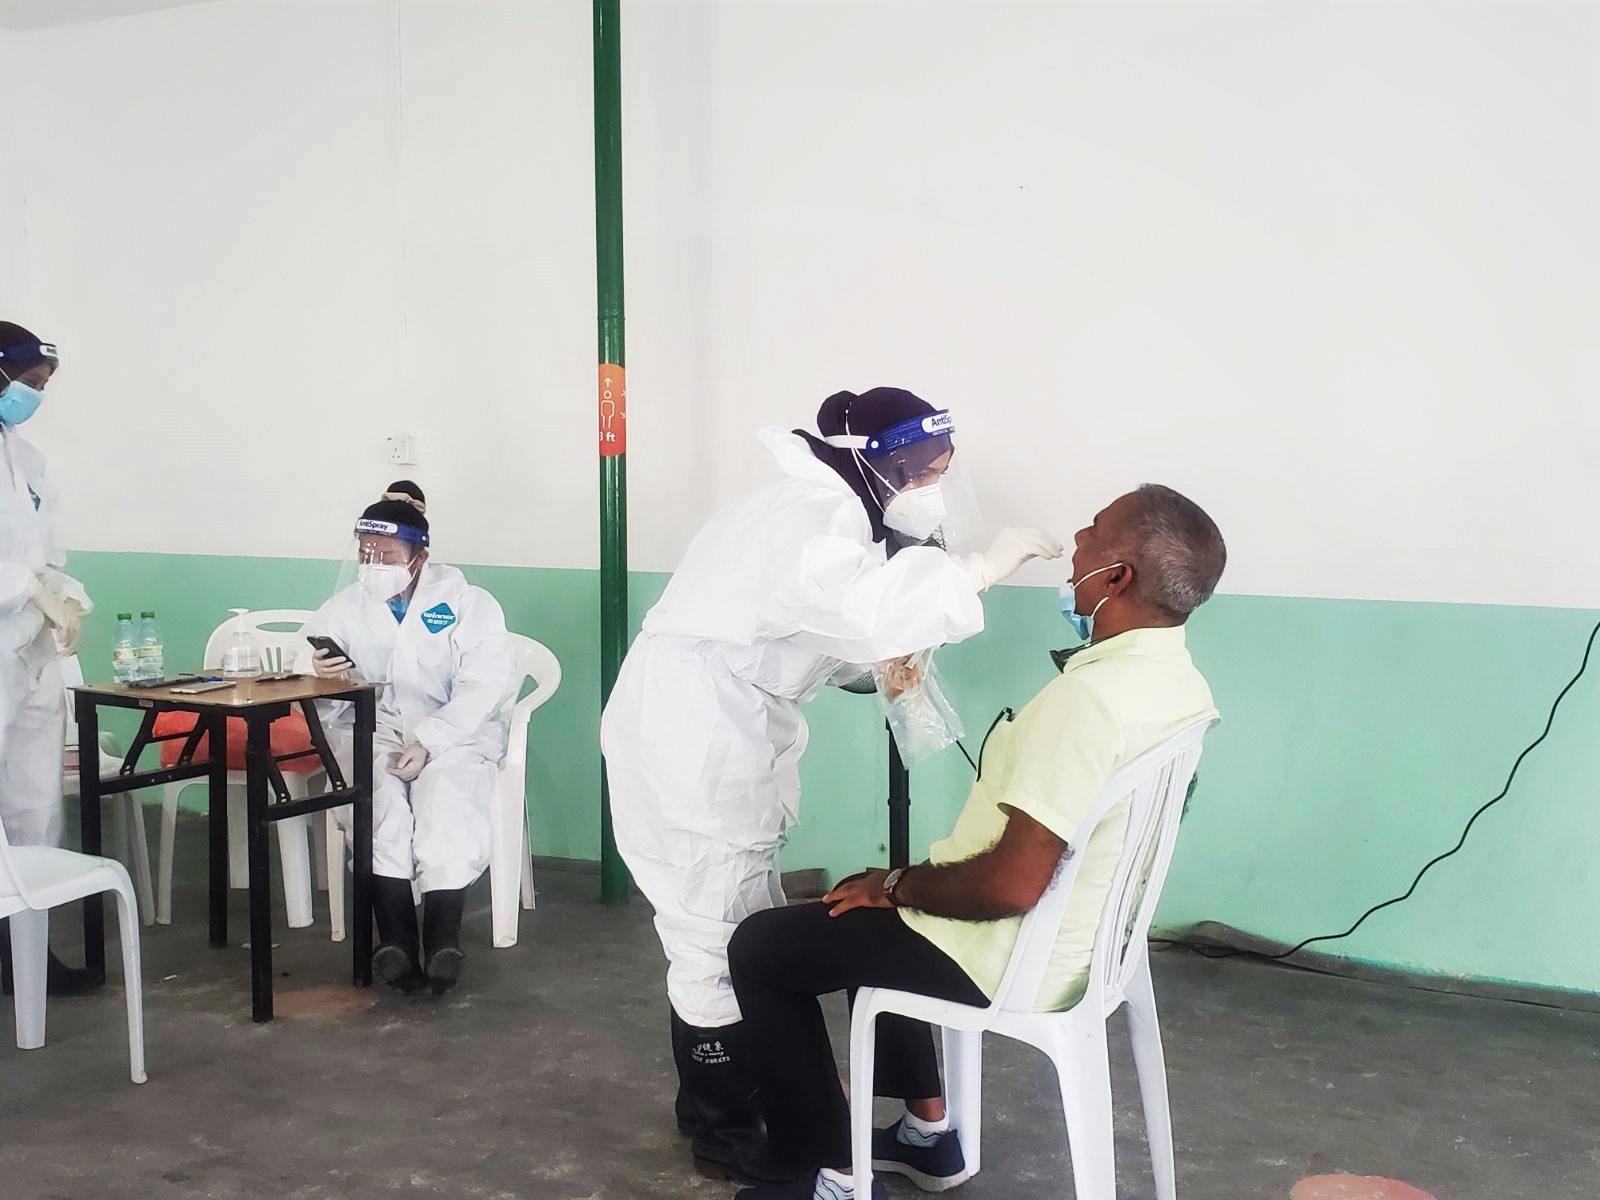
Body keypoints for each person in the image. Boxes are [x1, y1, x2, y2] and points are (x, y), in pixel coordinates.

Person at [599, 387, 1063, 1182]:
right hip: (693, 739)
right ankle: (727, 1131)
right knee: (715, 935)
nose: (930, 488)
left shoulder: (825, 516)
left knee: (733, 914)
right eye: (919, 471)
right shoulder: (808, 519)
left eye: (941, 471)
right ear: (868, 459)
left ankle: (719, 1096)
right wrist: (980, 570)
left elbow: (817, 631)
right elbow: (868, 607)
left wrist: (875, 665)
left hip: (716, 720)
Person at [725, 484, 1226, 1200]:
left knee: (765, 948)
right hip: (1086, 942)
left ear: (1117, 577)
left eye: (1092, 531)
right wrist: (900, 884)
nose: (1075, 543)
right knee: (870, 902)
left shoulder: (1091, 702)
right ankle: (929, 1136)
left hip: (1011, 950)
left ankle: (823, 1169)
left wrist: (899, 886)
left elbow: (1007, 886)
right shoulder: (1176, 680)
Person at [305, 482, 516, 995]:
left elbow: (483, 685)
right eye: (366, 554)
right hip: (372, 730)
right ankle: (395, 942)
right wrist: (326, 677)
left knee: (446, 799)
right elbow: (325, 701)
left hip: (456, 734)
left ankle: (443, 940)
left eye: (388, 554)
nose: (374, 564)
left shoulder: (469, 603)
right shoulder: (343, 609)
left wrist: (432, 739)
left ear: (419, 556)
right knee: (376, 801)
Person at [0, 322, 102, 997]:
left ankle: (27, 954)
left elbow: (48, 547)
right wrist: (23, 585)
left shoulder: (26, 459)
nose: (34, 397)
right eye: (28, 384)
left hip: (29, 651)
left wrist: (63, 593)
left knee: (39, 801)